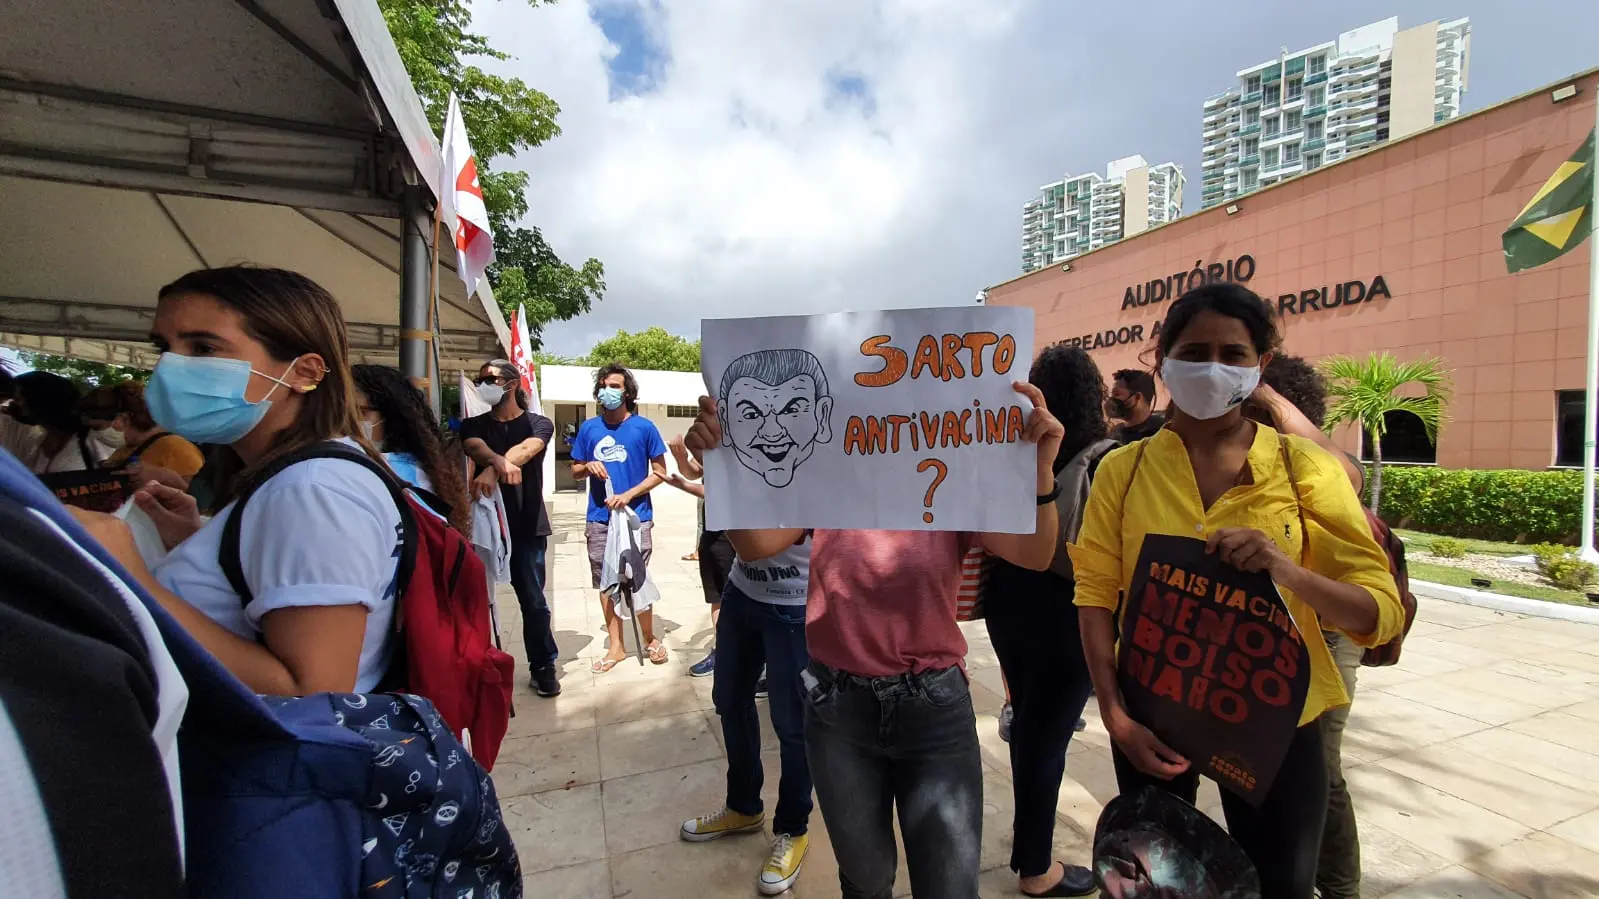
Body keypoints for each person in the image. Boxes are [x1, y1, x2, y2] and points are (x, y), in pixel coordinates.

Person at [1070, 283, 1405, 898]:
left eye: (1234, 354)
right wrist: (1115, 713)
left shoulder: (1307, 469)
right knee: (1155, 887)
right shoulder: (1123, 470)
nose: (1213, 368)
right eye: (1195, 351)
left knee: (1283, 884)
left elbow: (1378, 613)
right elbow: (1095, 595)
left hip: (1278, 726)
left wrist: (1289, 570)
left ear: (1262, 366)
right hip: (1155, 717)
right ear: (1162, 359)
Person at [685, 379, 1067, 899]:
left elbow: (1036, 553)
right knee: (864, 882)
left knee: (950, 887)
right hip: (838, 709)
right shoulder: (825, 477)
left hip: (934, 709)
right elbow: (754, 546)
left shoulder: (952, 475)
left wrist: (1041, 469)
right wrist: (722, 464)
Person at [68, 265, 405, 696]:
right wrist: (205, 543)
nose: (172, 367)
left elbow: (314, 693)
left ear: (305, 372)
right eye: (164, 347)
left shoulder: (310, 490)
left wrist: (135, 582)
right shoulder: (308, 473)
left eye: (204, 348)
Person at [983, 343, 1110, 898]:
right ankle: (1036, 866)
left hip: (1009, 594)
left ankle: (1031, 846)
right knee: (1047, 735)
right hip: (1069, 607)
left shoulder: (1016, 449)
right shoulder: (1107, 456)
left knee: (1030, 719)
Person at [1244, 354, 1366, 899]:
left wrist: (1266, 395)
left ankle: (1338, 886)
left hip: (1324, 634)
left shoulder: (1308, 462)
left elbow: (1348, 474)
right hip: (1258, 637)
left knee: (1321, 766)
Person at [680, 528, 816, 896]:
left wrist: (729, 502)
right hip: (742, 593)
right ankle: (743, 807)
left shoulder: (814, 470)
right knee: (729, 701)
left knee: (793, 727)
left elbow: (755, 545)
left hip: (794, 600)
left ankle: (792, 829)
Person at [459, 359, 560, 697]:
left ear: (512, 383)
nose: (484, 383)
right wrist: (497, 464)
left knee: (533, 601)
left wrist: (492, 470)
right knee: (475, 600)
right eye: (481, 378)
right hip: (483, 530)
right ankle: (476, 663)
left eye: (491, 378)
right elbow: (475, 446)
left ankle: (543, 664)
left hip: (527, 526)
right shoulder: (472, 424)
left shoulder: (539, 423)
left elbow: (528, 449)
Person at [571, 363, 669, 671]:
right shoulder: (589, 429)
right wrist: (587, 467)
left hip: (636, 517)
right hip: (599, 519)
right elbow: (574, 469)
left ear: (627, 391)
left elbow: (660, 473)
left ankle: (650, 637)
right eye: (603, 385)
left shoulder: (644, 428)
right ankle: (616, 646)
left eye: (613, 385)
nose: (607, 391)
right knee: (606, 581)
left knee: (637, 578)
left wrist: (630, 494)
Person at [353, 364, 473, 537]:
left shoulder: (397, 472)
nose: (346, 421)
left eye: (359, 412)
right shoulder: (426, 468)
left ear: (390, 416)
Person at [666, 434, 736, 677]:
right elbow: (696, 471)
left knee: (751, 598)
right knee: (718, 596)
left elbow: (725, 491)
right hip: (714, 532)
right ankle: (722, 652)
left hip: (744, 530)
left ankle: (761, 662)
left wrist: (684, 486)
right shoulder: (713, 434)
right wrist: (681, 459)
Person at [79, 381, 206, 485]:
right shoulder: (125, 449)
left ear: (124, 419)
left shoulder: (176, 448)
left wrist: (167, 478)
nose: (95, 434)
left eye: (97, 427)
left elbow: (199, 507)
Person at [8, 371, 105, 474]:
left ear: (39, 400)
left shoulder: (92, 439)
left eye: (18, 399)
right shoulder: (38, 442)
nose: (13, 404)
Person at [1106, 368, 1164, 443]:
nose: (1111, 399)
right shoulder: (1114, 436)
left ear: (1137, 397)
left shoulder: (1162, 432)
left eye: (1117, 394)